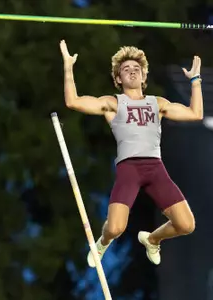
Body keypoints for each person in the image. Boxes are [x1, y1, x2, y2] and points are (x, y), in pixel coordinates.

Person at [60, 39, 203, 267]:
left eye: (137, 69)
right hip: (129, 169)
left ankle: (152, 239)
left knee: (186, 225)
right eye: (126, 69)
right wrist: (68, 67)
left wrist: (195, 81)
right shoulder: (113, 103)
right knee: (116, 228)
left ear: (144, 77)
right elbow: (73, 102)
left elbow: (195, 114)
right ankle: (103, 242)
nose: (132, 72)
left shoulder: (157, 103)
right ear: (118, 78)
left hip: (156, 169)